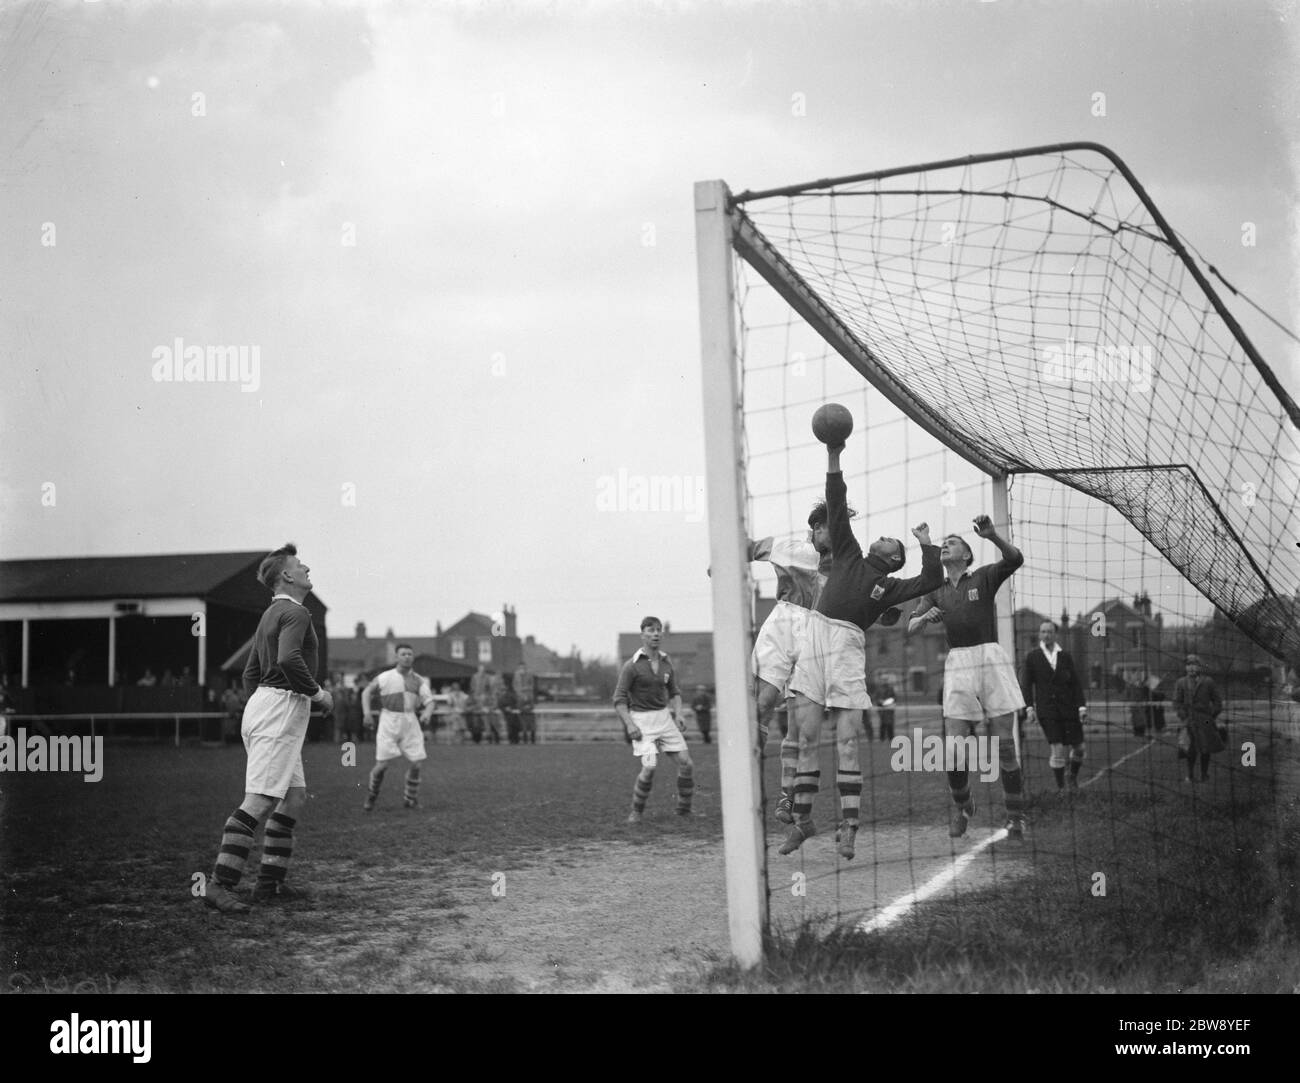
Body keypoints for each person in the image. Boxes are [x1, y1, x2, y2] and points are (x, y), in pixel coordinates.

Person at [782, 435, 940, 860]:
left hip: (848, 648)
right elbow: (836, 501)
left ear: (893, 559)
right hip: (815, 638)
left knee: (848, 741)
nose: (885, 536)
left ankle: (849, 825)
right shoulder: (849, 552)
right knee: (807, 738)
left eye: (892, 541)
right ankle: (803, 821)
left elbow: (931, 581)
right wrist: (834, 454)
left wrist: (926, 543)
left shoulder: (889, 587)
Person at [201, 543, 332, 913]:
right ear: (287, 576)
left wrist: (259, 705)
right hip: (279, 710)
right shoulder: (296, 613)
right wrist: (319, 694)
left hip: (269, 707)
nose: (306, 567)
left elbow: (250, 674)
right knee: (260, 800)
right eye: (299, 564)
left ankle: (269, 885)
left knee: (293, 797)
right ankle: (218, 885)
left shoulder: (271, 614)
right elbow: (290, 659)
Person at [907, 517, 1028, 841]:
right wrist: (924, 618)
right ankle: (963, 807)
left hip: (990, 658)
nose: (946, 545)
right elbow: (911, 626)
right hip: (958, 662)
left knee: (1004, 744)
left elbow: (1015, 559)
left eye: (953, 542)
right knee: (953, 747)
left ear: (967, 555)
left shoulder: (985, 577)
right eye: (943, 544)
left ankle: (1015, 818)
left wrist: (992, 536)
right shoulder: (936, 590)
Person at [615, 616, 694, 823]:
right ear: (642, 635)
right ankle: (636, 812)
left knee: (686, 763)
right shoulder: (631, 666)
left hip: (664, 718)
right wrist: (630, 724)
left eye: (658, 630)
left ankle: (684, 810)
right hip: (642, 722)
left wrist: (679, 713)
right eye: (651, 630)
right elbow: (619, 699)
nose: (656, 633)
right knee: (649, 766)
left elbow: (675, 692)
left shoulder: (667, 663)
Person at [360, 644, 437, 810]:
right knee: (382, 765)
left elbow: (430, 702)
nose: (407, 657)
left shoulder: (418, 680)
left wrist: (427, 713)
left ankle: (410, 799)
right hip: (388, 720)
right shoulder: (385, 677)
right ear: (396, 657)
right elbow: (366, 692)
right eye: (403, 654)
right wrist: (367, 713)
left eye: (410, 654)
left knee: (417, 763)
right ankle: (371, 796)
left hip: (410, 721)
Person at [1020, 620, 1087, 794]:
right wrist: (1029, 708)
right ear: (1040, 634)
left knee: (1079, 748)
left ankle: (1072, 776)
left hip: (1069, 708)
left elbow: (1075, 684)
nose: (1046, 634)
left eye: (1049, 631)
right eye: (1043, 631)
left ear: (1055, 634)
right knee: (1056, 748)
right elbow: (1027, 685)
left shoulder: (1065, 656)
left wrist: (1081, 707)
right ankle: (1062, 788)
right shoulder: (1032, 656)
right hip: (1047, 710)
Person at [1172, 654, 1225, 782]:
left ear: (1199, 667)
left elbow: (1218, 702)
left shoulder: (1208, 682)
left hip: (1205, 720)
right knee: (1189, 748)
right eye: (1188, 665)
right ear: (1185, 667)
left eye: (1194, 665)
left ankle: (1204, 774)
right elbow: (1176, 702)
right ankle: (1190, 774)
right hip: (1188, 719)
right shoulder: (1181, 682)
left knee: (1205, 748)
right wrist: (1182, 714)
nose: (1191, 668)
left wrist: (1211, 716)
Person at [514, 666, 537, 744]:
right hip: (523, 715)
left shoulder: (530, 698)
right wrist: (526, 708)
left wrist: (528, 708)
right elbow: (519, 707)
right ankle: (525, 741)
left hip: (529, 715)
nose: (525, 692)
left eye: (526, 690)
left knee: (533, 728)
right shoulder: (520, 699)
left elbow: (532, 706)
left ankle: (533, 741)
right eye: (524, 691)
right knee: (524, 729)